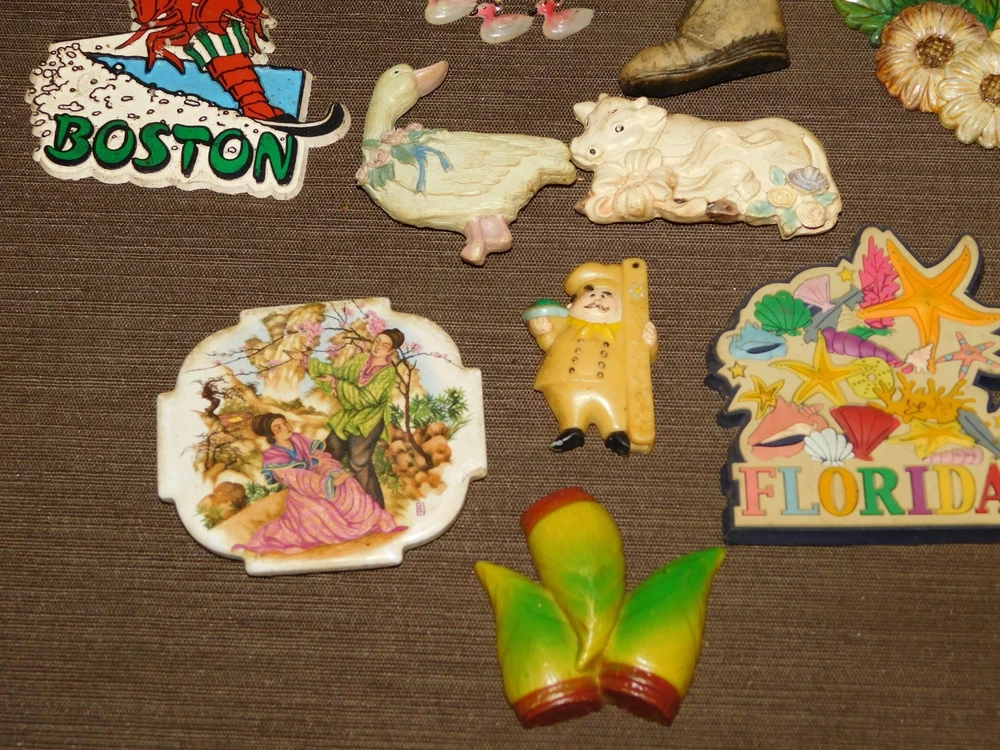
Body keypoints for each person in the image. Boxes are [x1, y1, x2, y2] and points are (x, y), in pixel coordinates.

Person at [527, 263, 657, 456]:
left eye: (607, 294)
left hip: (612, 383)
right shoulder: (567, 326)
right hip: (567, 380)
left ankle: (615, 432)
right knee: (570, 403)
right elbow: (550, 344)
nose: (598, 299)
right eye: (590, 293)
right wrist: (543, 332)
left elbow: (641, 356)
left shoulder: (625, 333)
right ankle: (572, 429)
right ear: (570, 306)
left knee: (613, 406)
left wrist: (649, 342)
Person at [232, 414, 402, 556]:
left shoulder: (298, 439)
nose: (285, 428)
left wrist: (332, 472)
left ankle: (369, 523)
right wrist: (329, 483)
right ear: (271, 436)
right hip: (303, 495)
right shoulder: (274, 457)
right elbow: (299, 478)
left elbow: (320, 458)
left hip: (321, 481)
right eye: (278, 428)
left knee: (349, 484)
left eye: (284, 423)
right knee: (318, 513)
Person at [289, 328, 405, 508]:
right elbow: (340, 373)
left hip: (369, 421)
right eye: (377, 341)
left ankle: (375, 508)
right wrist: (306, 361)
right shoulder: (362, 359)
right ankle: (316, 496)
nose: (378, 346)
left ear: (391, 351)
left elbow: (367, 399)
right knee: (328, 452)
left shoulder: (387, 373)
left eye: (384, 345)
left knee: (358, 463)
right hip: (350, 417)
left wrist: (335, 383)